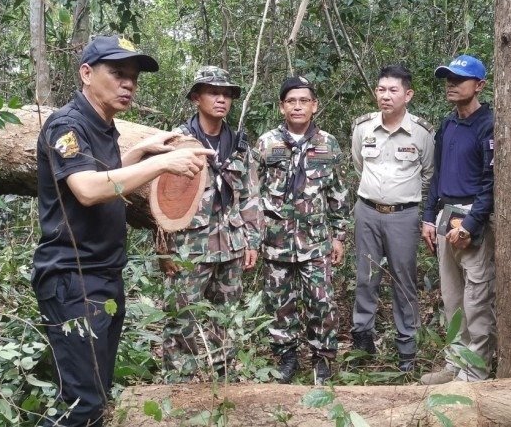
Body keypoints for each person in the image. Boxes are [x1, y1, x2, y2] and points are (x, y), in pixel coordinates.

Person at [32, 35, 212, 427]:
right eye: (117, 73)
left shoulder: (103, 126)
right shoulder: (68, 124)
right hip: (72, 279)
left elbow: (103, 171)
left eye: (132, 77)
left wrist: (143, 149)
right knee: (82, 404)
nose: (128, 83)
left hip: (103, 277)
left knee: (94, 395)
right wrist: (161, 166)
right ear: (86, 73)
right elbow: (89, 189)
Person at [157, 66, 261, 381]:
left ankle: (226, 379)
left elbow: (250, 194)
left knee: (227, 316)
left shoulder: (239, 143)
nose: (222, 99)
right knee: (182, 317)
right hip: (188, 245)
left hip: (230, 243)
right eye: (214, 92)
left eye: (227, 94)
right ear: (196, 98)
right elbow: (159, 197)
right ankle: (180, 382)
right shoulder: (177, 142)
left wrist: (252, 240)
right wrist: (164, 248)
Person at [254, 76, 349, 385]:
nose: (297, 106)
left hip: (316, 241)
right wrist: (252, 238)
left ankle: (322, 360)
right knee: (279, 304)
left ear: (314, 106)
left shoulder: (328, 143)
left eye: (304, 100)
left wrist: (339, 236)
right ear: (282, 107)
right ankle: (286, 357)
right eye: (291, 101)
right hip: (276, 241)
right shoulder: (267, 143)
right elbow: (251, 193)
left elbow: (337, 193)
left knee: (322, 302)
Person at [350, 65, 434, 372]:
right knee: (365, 277)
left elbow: (427, 173)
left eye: (393, 90)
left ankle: (406, 350)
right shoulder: (363, 128)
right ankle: (362, 340)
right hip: (367, 211)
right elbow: (359, 163)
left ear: (407, 95)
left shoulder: (421, 133)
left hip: (404, 216)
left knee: (404, 280)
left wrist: (402, 196)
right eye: (381, 89)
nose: (385, 96)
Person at [420, 55, 496, 384]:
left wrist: (471, 224)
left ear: (479, 85)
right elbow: (435, 173)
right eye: (448, 78)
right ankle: (455, 362)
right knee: (452, 297)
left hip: (473, 217)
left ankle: (475, 370)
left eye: (459, 79)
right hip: (444, 214)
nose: (451, 84)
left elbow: (491, 182)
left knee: (476, 298)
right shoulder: (448, 123)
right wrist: (427, 216)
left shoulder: (488, 124)